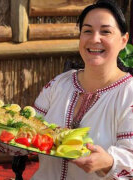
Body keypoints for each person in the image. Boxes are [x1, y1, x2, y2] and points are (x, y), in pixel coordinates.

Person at [31, 0, 133, 179]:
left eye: (105, 31)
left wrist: (109, 162)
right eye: (87, 31)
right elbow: (26, 130)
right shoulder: (59, 83)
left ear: (123, 40)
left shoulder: (128, 94)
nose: (94, 39)